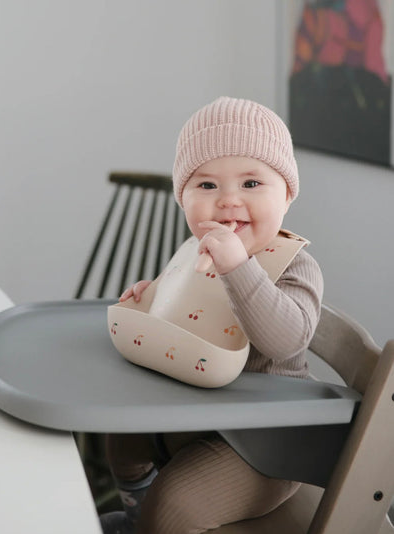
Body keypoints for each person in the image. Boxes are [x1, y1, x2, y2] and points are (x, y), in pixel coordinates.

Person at [100, 96, 324, 534]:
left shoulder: (294, 264)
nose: (227, 202)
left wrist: (240, 268)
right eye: (206, 186)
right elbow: (190, 321)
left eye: (252, 184)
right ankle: (138, 521)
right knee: (120, 440)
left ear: (288, 195)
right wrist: (154, 299)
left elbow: (287, 339)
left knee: (173, 506)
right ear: (181, 198)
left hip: (267, 440)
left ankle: (155, 520)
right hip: (199, 411)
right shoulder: (195, 253)